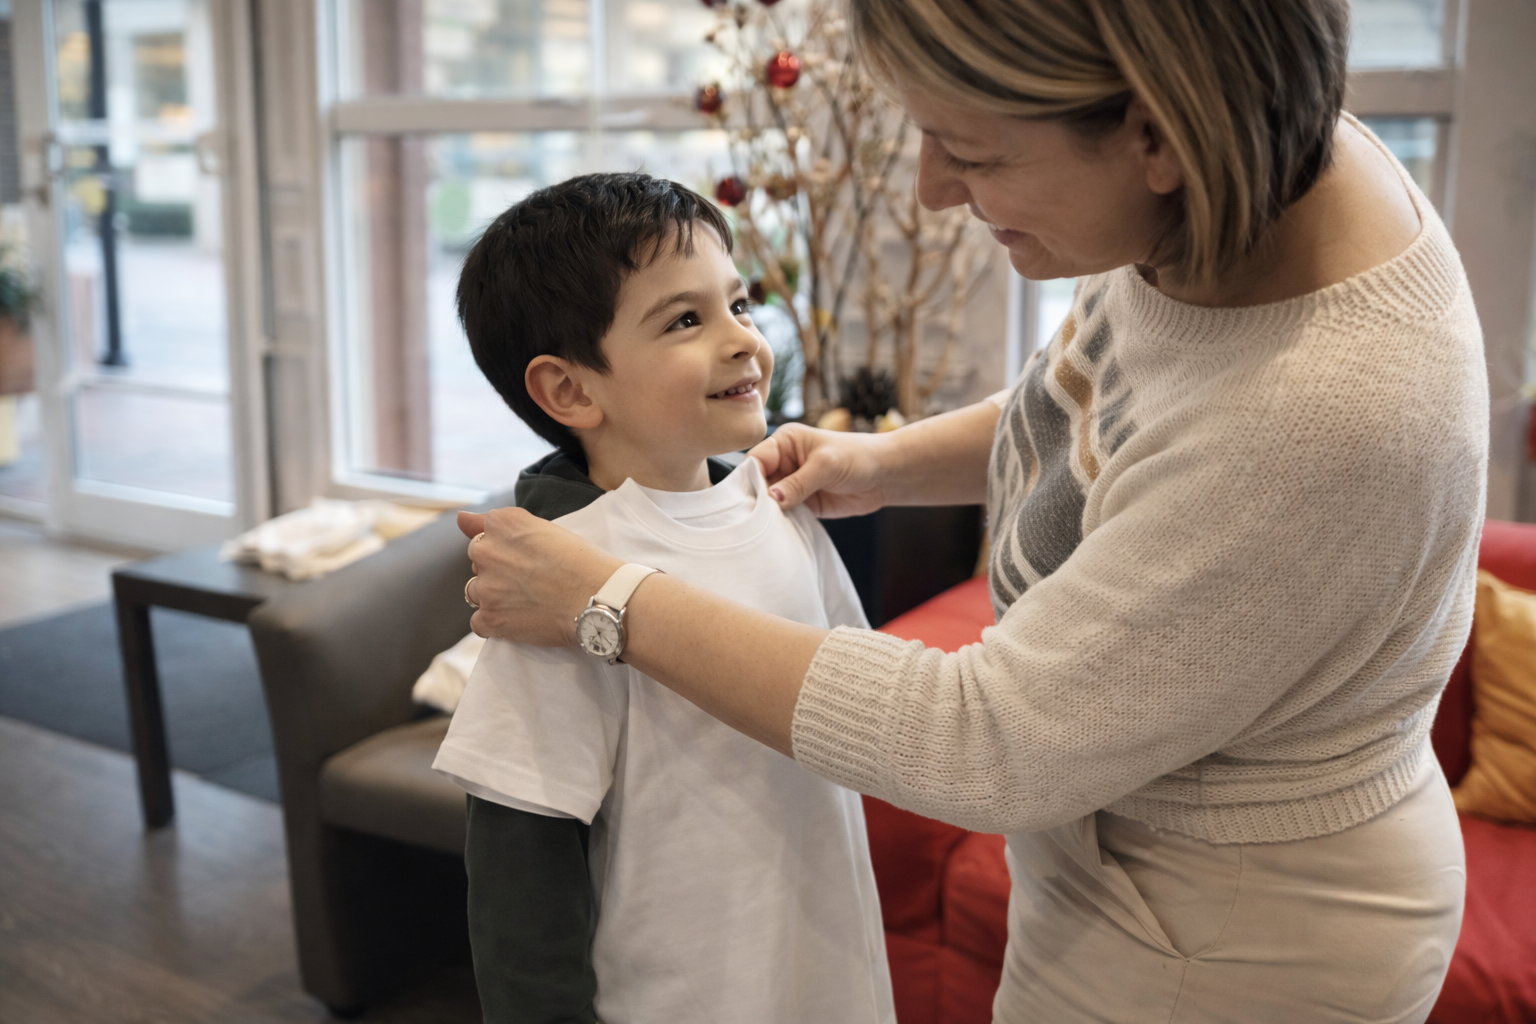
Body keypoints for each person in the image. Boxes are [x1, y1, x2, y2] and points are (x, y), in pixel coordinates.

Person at [461, 0, 1487, 1019]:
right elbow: (1113, 400)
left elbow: (984, 742)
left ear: (1158, 138)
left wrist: (615, 605)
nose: (931, 189)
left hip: (1222, 947)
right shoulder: (1237, 185)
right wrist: (889, 461)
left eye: (974, 154)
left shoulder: (1325, 412)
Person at [435, 173, 895, 1024]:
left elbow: (869, 707)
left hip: (828, 966)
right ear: (571, 390)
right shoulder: (559, 578)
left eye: (740, 304)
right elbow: (521, 870)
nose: (743, 342)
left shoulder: (782, 508)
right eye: (685, 320)